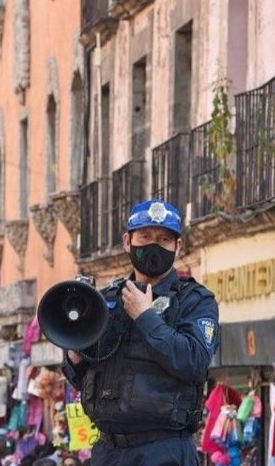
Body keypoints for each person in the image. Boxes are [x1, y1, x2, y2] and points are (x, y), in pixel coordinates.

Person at [62, 199, 220, 466]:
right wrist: (74, 353)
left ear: (177, 246)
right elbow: (87, 379)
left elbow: (193, 361)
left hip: (164, 450)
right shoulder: (107, 300)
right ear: (128, 241)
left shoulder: (195, 301)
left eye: (163, 239)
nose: (153, 245)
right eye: (145, 236)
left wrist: (146, 317)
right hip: (108, 451)